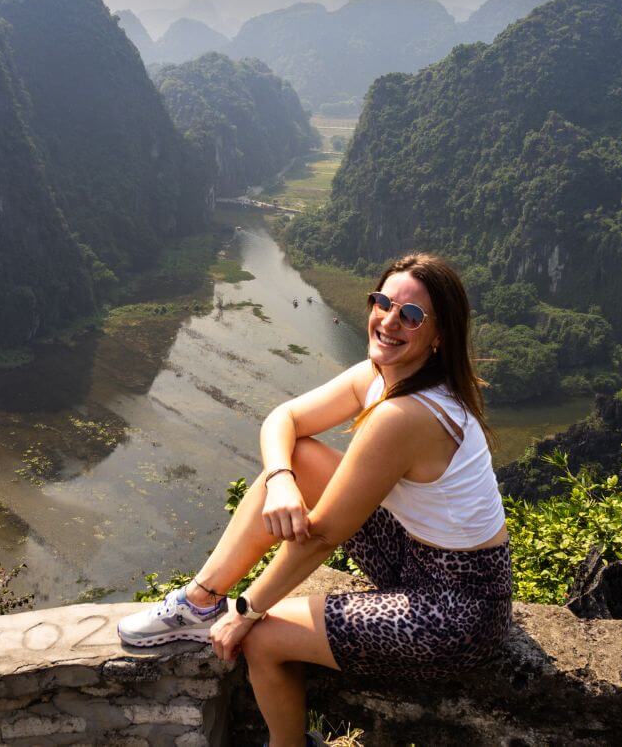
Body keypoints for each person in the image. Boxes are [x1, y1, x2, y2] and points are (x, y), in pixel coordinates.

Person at [118, 253, 512, 746]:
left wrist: (246, 611)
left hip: (458, 608)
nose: (389, 321)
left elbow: (323, 534)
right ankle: (198, 603)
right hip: (414, 555)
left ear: (439, 335)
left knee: (262, 637)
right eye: (383, 302)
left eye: (410, 315)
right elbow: (284, 418)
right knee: (298, 457)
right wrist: (282, 479)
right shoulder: (380, 375)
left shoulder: (406, 415)